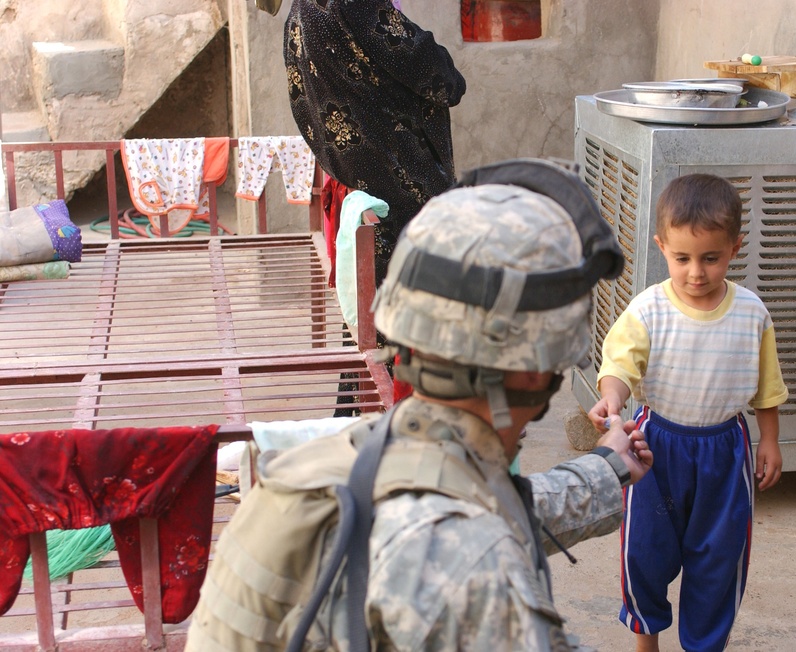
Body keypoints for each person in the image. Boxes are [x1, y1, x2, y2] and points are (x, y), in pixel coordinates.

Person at [185, 158, 654, 651]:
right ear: (537, 371)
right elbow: (456, 545)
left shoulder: (316, 469)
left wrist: (606, 469)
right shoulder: (476, 573)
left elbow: (469, 504)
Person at [588, 173, 788, 652]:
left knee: (720, 557)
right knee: (645, 550)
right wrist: (613, 397)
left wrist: (771, 441)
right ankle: (646, 636)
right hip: (654, 447)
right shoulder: (648, 310)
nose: (695, 272)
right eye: (682, 258)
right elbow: (619, 365)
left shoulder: (752, 313)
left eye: (710, 258)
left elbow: (767, 389)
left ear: (735, 247)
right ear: (662, 246)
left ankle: (704, 645)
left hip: (725, 451)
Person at [284, 0, 466, 285]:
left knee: (375, 300)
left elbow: (302, 102)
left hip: (356, 181)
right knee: (413, 301)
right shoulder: (358, 4)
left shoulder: (300, 9)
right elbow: (442, 81)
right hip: (400, 182)